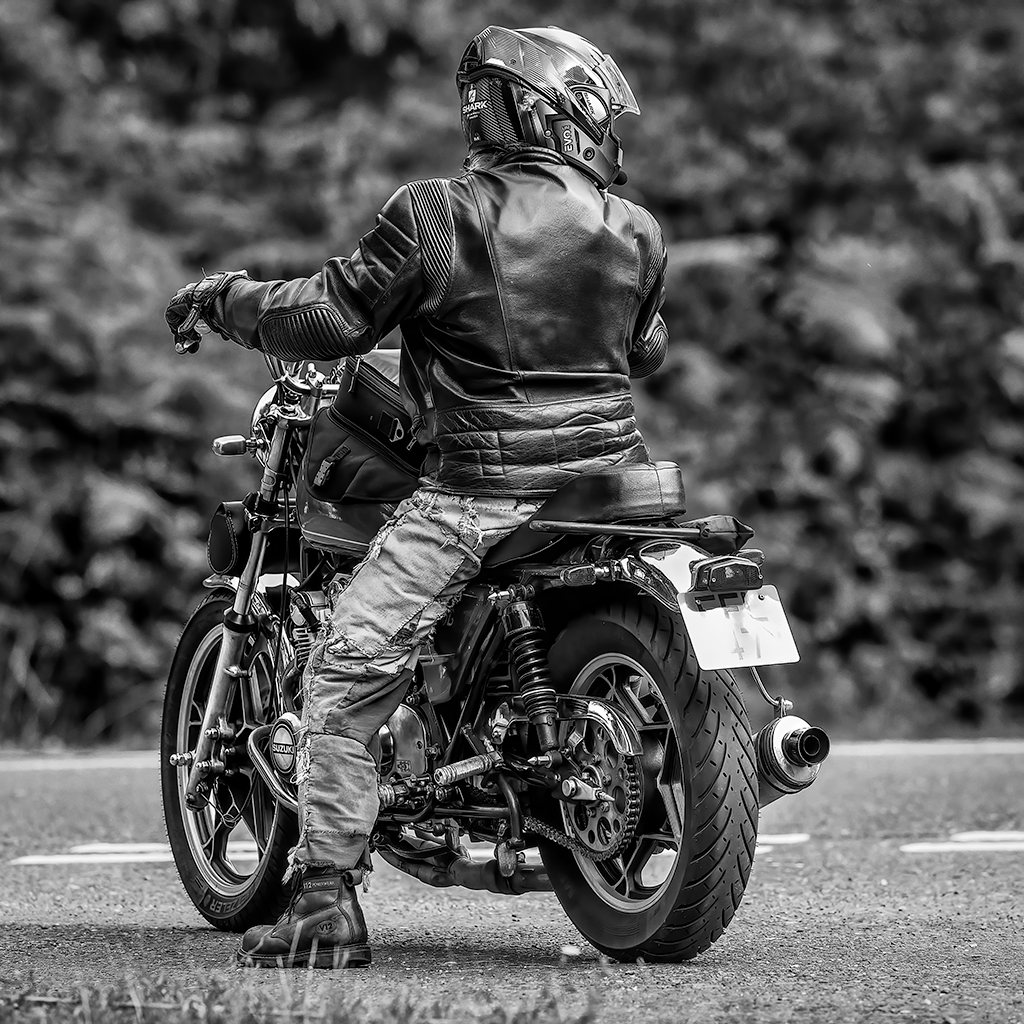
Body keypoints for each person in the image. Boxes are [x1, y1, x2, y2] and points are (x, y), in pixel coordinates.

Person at [165, 24, 669, 969]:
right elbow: (644, 348)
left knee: (343, 664)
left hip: (482, 492)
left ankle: (324, 899)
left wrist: (227, 299)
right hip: (610, 487)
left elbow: (329, 316)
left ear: (493, 111)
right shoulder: (636, 230)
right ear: (564, 113)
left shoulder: (438, 213)